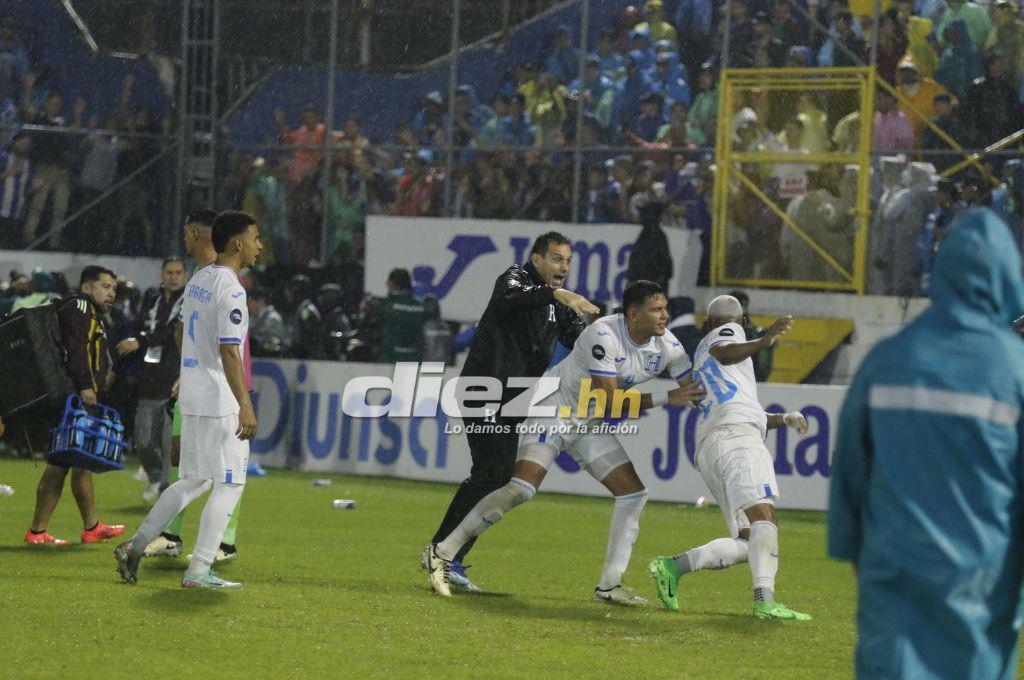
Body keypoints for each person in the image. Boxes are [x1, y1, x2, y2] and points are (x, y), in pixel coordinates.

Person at [829, 208, 1024, 677]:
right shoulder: (1014, 370)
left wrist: (863, 559)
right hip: (981, 587)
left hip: (893, 582)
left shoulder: (887, 360)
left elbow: (850, 473)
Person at [424, 280, 705, 602]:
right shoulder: (604, 335)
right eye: (656, 309)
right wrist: (666, 398)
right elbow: (610, 400)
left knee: (633, 493)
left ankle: (609, 586)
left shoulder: (668, 345)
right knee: (522, 488)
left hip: (588, 422)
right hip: (553, 408)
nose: (664, 315)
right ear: (633, 314)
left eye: (665, 308)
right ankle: (442, 552)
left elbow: (693, 388)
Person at [423, 232, 599, 591]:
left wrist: (611, 338)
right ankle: (442, 553)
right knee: (493, 472)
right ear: (536, 260)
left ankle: (446, 554)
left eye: (567, 261)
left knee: (496, 476)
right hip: (482, 388)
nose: (563, 267)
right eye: (555, 259)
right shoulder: (514, 278)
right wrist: (557, 293)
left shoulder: (558, 306)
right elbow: (509, 300)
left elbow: (582, 341)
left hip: (514, 397)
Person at [115, 210, 263, 589]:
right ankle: (198, 570)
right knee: (230, 483)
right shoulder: (230, 287)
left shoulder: (200, 279)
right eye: (255, 238)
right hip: (219, 399)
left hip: (194, 394)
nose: (260, 246)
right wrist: (244, 402)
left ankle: (136, 545)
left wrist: (193, 369)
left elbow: (181, 332)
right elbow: (231, 351)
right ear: (237, 243)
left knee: (194, 479)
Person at [648, 295, 811, 620]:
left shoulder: (702, 355)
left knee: (749, 538)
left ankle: (672, 567)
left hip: (714, 444)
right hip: (736, 440)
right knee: (765, 519)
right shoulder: (729, 332)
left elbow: (735, 403)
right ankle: (765, 602)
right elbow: (725, 352)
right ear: (738, 322)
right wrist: (763, 340)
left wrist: (782, 419)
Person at [144, 209, 248, 562]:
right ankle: (189, 551)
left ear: (195, 236)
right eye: (255, 239)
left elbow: (226, 346)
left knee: (205, 475)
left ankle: (217, 544)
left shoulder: (209, 281)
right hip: (208, 390)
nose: (259, 246)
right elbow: (222, 345)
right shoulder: (216, 282)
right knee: (213, 474)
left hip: (208, 389)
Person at [25, 266, 125, 546]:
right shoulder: (80, 307)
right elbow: (77, 348)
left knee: (81, 463)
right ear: (86, 287)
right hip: (76, 398)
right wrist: (85, 385)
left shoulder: (93, 313)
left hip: (79, 398)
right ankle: (37, 532)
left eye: (114, 288)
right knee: (60, 464)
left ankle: (91, 526)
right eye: (105, 286)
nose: (111, 293)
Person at [118, 257, 187, 503]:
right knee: (144, 440)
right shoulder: (152, 300)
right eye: (169, 272)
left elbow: (171, 334)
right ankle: (156, 477)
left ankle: (167, 490)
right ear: (161, 275)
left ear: (185, 276)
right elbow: (139, 328)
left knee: (170, 442)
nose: (173, 277)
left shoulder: (189, 301)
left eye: (178, 272)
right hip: (149, 379)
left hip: (175, 378)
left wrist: (142, 341)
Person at [377, 269, 425, 364]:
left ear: (392, 283)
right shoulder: (420, 306)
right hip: (414, 358)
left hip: (390, 358)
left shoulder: (386, 304)